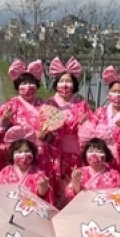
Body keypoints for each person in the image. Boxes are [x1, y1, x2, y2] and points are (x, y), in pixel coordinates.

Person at [0, 59, 60, 182]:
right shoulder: (11, 105)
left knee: (42, 186)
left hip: (43, 154)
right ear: (17, 86)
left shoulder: (46, 105)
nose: (27, 86)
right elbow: (1, 133)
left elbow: (56, 133)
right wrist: (4, 121)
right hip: (21, 155)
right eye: (23, 83)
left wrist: (47, 136)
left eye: (31, 82)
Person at [44, 58, 91, 187]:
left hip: (76, 152)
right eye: (61, 81)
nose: (65, 85)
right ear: (56, 84)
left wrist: (84, 126)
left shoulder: (82, 104)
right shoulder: (49, 104)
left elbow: (91, 129)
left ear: (74, 84)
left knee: (74, 185)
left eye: (68, 81)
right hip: (53, 153)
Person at [63, 138, 120, 204]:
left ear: (106, 155)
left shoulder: (114, 174)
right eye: (91, 151)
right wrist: (76, 181)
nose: (94, 155)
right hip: (83, 208)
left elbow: (119, 196)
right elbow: (70, 195)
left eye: (99, 151)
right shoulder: (80, 172)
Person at [0, 138, 53, 202]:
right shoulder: (5, 172)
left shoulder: (38, 173)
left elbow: (42, 197)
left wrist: (43, 189)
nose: (24, 154)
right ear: (12, 154)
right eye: (19, 152)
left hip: (30, 208)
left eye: (27, 151)